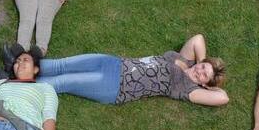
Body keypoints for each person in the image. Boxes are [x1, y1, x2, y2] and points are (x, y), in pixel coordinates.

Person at [17, 34, 229, 106]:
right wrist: (199, 63)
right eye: (202, 67)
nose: (200, 71)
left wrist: (203, 83)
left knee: (64, 82)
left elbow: (223, 98)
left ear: (204, 83)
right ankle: (16, 65)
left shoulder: (188, 89)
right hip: (115, 63)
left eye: (204, 75)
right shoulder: (187, 61)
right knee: (61, 64)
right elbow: (198, 38)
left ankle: (14, 84)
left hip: (116, 86)